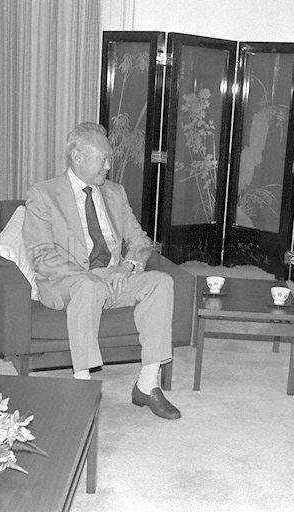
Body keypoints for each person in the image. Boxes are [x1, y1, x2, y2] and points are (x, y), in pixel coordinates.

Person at [23, 121, 180, 420]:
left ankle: (147, 384)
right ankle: (82, 384)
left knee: (161, 283)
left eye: (109, 158)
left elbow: (140, 240)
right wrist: (87, 275)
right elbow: (42, 256)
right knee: (89, 286)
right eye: (102, 159)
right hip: (69, 283)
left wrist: (128, 265)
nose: (109, 165)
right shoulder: (44, 194)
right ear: (78, 157)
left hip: (114, 279)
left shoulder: (115, 193)